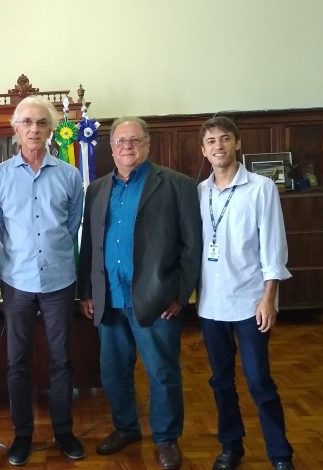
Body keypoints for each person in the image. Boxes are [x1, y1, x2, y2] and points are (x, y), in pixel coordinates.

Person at [77, 117, 202, 470]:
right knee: (113, 371)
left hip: (157, 298)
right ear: (111, 147)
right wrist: (87, 290)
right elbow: (91, 245)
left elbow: (191, 247)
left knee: (162, 372)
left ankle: (166, 439)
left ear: (148, 144)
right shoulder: (97, 189)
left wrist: (180, 293)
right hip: (108, 298)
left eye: (134, 140)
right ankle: (126, 428)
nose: (127, 146)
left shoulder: (177, 185)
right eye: (120, 141)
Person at [0, 95, 86, 466]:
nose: (33, 129)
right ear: (15, 130)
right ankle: (22, 435)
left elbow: (73, 223)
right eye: (26, 122)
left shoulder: (70, 175)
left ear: (51, 130)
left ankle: (63, 431)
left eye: (41, 123)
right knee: (17, 362)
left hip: (60, 281)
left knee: (62, 360)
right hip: (17, 282)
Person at [196, 116, 296, 470]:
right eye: (211, 141)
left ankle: (280, 454)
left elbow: (273, 247)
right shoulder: (200, 192)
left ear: (237, 143)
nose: (218, 146)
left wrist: (269, 298)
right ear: (204, 150)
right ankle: (231, 447)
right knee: (221, 382)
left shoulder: (260, 188)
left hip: (251, 304)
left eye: (225, 139)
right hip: (211, 306)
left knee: (259, 382)